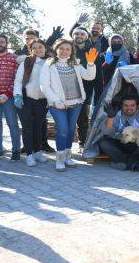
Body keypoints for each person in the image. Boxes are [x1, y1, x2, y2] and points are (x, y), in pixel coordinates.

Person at [40, 39, 97, 171]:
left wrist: (90, 64)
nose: (64, 51)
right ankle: (59, 159)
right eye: (62, 48)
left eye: (68, 49)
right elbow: (44, 86)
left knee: (71, 130)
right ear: (56, 49)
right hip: (57, 104)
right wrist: (56, 101)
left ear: (71, 51)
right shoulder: (49, 64)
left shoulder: (75, 63)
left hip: (76, 102)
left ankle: (67, 156)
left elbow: (89, 77)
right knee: (63, 129)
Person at [14, 39, 49, 166]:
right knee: (27, 127)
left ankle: (37, 151)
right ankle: (29, 154)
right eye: (34, 48)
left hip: (42, 100)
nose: (38, 50)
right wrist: (17, 95)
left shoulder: (50, 62)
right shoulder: (27, 61)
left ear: (45, 48)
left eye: (40, 47)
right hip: (26, 98)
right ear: (31, 50)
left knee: (38, 127)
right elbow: (18, 80)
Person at [99, 96, 139, 172]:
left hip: (136, 145)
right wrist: (110, 117)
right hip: (120, 143)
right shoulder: (117, 114)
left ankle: (123, 163)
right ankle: (134, 165)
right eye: (126, 105)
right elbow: (106, 132)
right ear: (122, 106)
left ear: (138, 106)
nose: (129, 108)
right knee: (103, 143)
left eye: (132, 105)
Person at [72, 26, 99, 148]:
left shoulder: (92, 51)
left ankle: (82, 143)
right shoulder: (66, 49)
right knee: (68, 119)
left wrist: (98, 94)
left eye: (82, 34)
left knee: (82, 119)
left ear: (86, 36)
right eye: (76, 33)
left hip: (85, 91)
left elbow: (97, 75)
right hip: (66, 91)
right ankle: (66, 145)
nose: (79, 36)